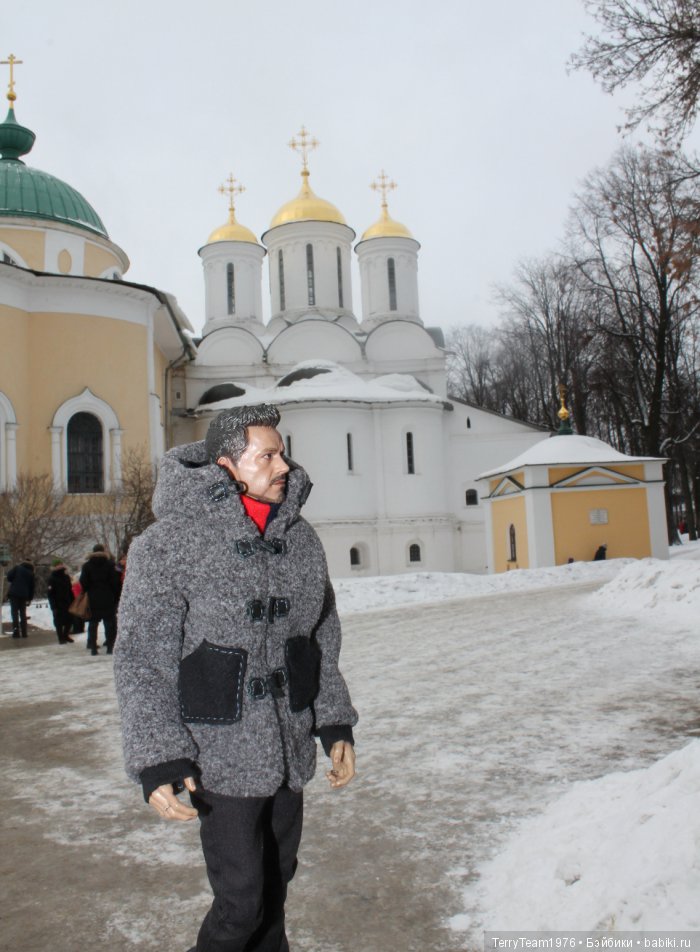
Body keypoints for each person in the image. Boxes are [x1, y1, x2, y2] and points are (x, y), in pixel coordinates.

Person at [114, 404, 358, 952]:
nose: (284, 466)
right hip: (217, 755)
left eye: (282, 452)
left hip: (288, 748)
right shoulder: (167, 544)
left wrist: (334, 723)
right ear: (227, 465)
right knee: (240, 902)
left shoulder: (300, 539)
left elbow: (321, 637)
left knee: (277, 887)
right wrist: (157, 757)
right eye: (267, 455)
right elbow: (140, 658)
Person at [80, 544, 119, 655]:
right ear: (103, 552)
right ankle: (110, 647)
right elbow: (115, 582)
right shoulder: (110, 565)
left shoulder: (86, 566)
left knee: (93, 624)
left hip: (93, 598)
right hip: (108, 598)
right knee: (109, 623)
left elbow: (83, 582)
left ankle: (93, 647)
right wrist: (115, 595)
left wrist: (89, 590)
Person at [47, 558, 75, 644]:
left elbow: (70, 590)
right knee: (58, 621)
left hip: (68, 601)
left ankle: (65, 635)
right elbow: (50, 594)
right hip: (57, 603)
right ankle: (61, 637)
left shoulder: (66, 577)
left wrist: (73, 600)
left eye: (61, 564)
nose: (60, 566)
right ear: (54, 567)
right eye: (58, 565)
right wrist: (53, 606)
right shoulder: (51, 578)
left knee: (70, 619)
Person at [6, 560, 34, 639]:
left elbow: (9, 577)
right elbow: (32, 587)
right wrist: (30, 598)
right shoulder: (31, 573)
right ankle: (24, 632)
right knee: (23, 613)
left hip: (14, 594)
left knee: (14, 612)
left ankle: (16, 631)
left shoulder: (17, 568)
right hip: (24, 595)